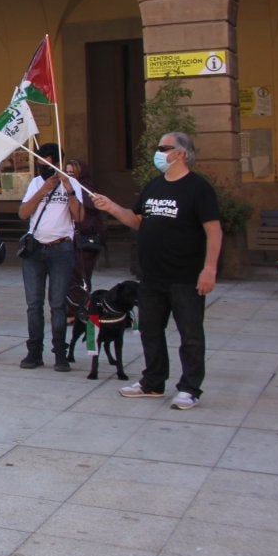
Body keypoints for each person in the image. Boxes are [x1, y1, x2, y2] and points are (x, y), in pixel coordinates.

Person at [92, 130, 220, 410]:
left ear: (181, 154)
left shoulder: (198, 188)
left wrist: (209, 269)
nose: (158, 153)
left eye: (164, 148)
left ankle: (189, 388)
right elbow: (137, 220)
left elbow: (214, 230)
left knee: (190, 334)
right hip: (151, 276)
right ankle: (153, 381)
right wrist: (111, 207)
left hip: (185, 276)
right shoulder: (154, 186)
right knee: (150, 330)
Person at [17, 143, 84, 371]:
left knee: (58, 304)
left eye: (48, 163)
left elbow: (79, 216)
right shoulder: (36, 183)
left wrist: (70, 191)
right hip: (35, 249)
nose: (44, 167)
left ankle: (60, 353)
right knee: (33, 304)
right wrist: (43, 189)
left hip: (61, 249)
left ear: (58, 162)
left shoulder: (72, 184)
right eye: (40, 163)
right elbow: (23, 213)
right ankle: (34, 352)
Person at [67, 158, 105, 293]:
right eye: (67, 172)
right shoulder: (69, 187)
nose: (69, 176)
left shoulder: (86, 187)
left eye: (72, 173)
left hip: (85, 238)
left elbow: (88, 212)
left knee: (81, 276)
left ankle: (80, 307)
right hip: (74, 239)